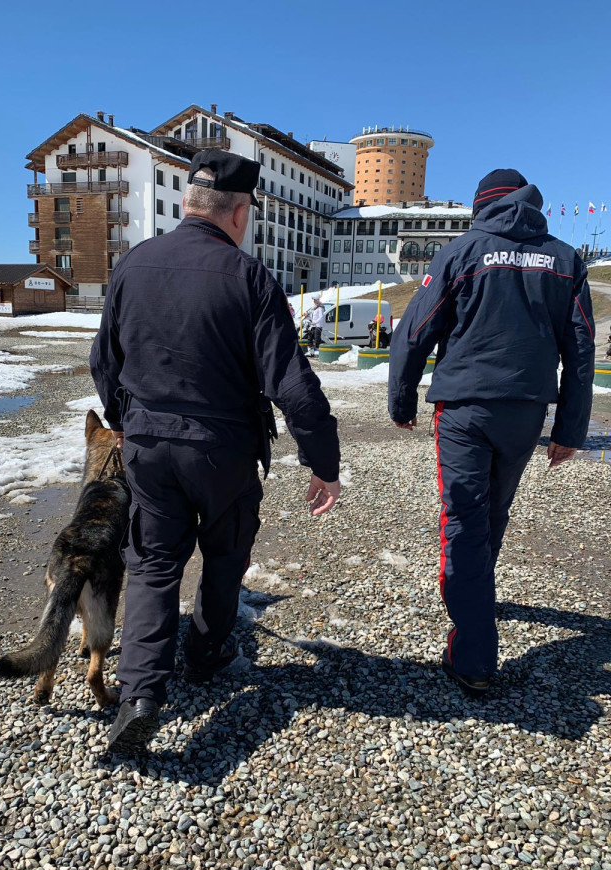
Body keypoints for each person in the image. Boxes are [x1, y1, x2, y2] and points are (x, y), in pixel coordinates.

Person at [90, 149, 341, 750]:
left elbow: (104, 360)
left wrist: (124, 420)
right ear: (239, 212)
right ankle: (203, 656)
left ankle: (141, 693)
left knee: (152, 563)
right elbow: (293, 386)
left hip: (149, 445)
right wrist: (323, 464)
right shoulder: (249, 276)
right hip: (223, 451)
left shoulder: (133, 265)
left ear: (188, 205)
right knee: (224, 556)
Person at [388, 168, 595, 697]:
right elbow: (580, 350)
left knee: (462, 515)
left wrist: (401, 397)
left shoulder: (463, 250)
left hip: (464, 408)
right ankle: (476, 592)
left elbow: (415, 330)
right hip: (526, 410)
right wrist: (568, 428)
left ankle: (474, 652)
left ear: (483, 205)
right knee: (492, 510)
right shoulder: (565, 258)